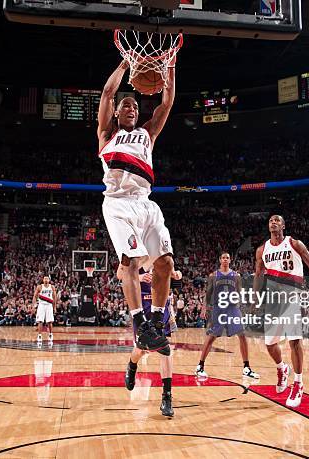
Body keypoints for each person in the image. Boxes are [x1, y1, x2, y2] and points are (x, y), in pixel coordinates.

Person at [97, 57, 177, 355]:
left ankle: (156, 320)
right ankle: (140, 323)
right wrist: (124, 64)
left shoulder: (147, 134)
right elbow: (107, 93)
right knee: (129, 262)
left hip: (146, 203)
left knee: (166, 263)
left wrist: (170, 67)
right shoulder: (107, 135)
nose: (131, 109)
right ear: (117, 112)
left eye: (134, 106)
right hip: (117, 205)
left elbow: (166, 103)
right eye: (126, 106)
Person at [253, 215, 309, 408]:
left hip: (292, 296)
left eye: (277, 220)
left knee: (294, 341)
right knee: (270, 344)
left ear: (283, 225)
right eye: (270, 221)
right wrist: (256, 297)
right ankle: (282, 368)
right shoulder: (262, 250)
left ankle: (298, 383)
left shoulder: (294, 243)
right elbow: (258, 275)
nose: (273, 222)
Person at [124, 267, 182, 417]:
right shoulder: (135, 249)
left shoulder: (162, 248)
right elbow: (121, 274)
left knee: (165, 349)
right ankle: (132, 365)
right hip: (141, 306)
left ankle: (167, 397)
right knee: (141, 349)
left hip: (161, 305)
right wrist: (140, 276)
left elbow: (171, 270)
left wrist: (176, 274)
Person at [195, 253, 260, 380]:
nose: (225, 259)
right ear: (220, 260)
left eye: (227, 258)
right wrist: (204, 308)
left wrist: (243, 307)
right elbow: (208, 294)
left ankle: (246, 368)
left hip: (232, 308)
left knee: (242, 335)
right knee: (211, 337)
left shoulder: (236, 276)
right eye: (223, 257)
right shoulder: (213, 275)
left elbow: (239, 292)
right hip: (218, 308)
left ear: (230, 260)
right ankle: (200, 366)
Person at [33, 276, 55, 344]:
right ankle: (39, 335)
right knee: (40, 321)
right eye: (45, 278)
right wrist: (34, 304)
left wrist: (54, 307)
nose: (46, 280)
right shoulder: (39, 287)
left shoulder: (52, 287)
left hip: (49, 305)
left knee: (50, 321)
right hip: (41, 305)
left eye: (47, 278)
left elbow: (54, 297)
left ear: (49, 280)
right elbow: (35, 296)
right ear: (43, 280)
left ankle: (50, 334)